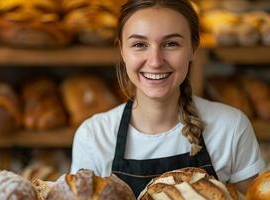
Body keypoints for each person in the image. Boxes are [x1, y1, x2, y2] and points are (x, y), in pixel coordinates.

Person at [70, 0, 265, 197]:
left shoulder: (230, 127)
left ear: (193, 48)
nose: (155, 61)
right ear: (122, 51)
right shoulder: (93, 137)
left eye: (171, 44)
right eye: (139, 44)